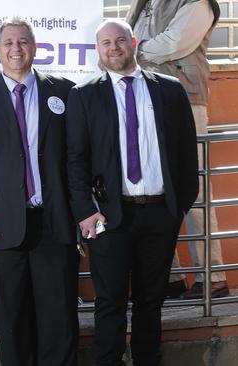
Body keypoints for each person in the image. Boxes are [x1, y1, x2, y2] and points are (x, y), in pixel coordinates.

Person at [66, 19, 199, 365]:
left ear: (133, 42)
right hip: (109, 216)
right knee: (109, 302)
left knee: (150, 300)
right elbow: (75, 160)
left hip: (160, 214)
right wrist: (85, 210)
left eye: (120, 40)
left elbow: (186, 152)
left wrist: (179, 207)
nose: (114, 47)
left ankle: (146, 360)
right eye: (106, 42)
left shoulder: (169, 90)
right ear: (98, 49)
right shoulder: (84, 95)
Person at [0, 17, 79, 366]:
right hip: (1, 227)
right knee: (12, 319)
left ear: (34, 47)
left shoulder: (64, 91)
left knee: (59, 318)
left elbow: (76, 157)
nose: (16, 48)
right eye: (8, 42)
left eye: (23, 41)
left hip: (54, 224)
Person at [126, 0, 227, 300]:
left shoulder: (197, 2)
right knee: (152, 189)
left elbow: (174, 43)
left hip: (185, 100)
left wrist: (132, 50)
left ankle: (211, 276)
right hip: (143, 97)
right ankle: (167, 277)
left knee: (193, 190)